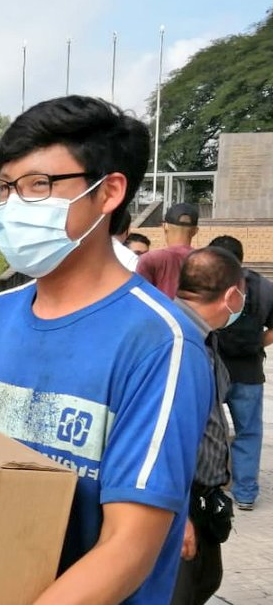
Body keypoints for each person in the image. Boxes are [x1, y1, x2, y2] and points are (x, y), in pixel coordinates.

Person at [0, 96, 212, 604]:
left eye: (38, 185)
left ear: (109, 191)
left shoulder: (161, 341)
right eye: (4, 188)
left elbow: (128, 546)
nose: (14, 206)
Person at [169, 247, 242, 605]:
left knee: (206, 581)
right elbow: (162, 436)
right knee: (178, 593)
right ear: (232, 295)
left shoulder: (202, 336)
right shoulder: (176, 341)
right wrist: (179, 515)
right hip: (179, 500)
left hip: (201, 496)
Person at [209, 235, 273, 511]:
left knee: (204, 429)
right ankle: (245, 493)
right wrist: (257, 344)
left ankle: (206, 485)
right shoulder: (263, 287)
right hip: (249, 372)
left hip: (212, 370)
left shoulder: (206, 283)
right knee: (249, 432)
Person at [136, 203, 199, 298]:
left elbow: (140, 297)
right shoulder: (206, 261)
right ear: (195, 231)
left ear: (165, 226)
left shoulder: (150, 259)